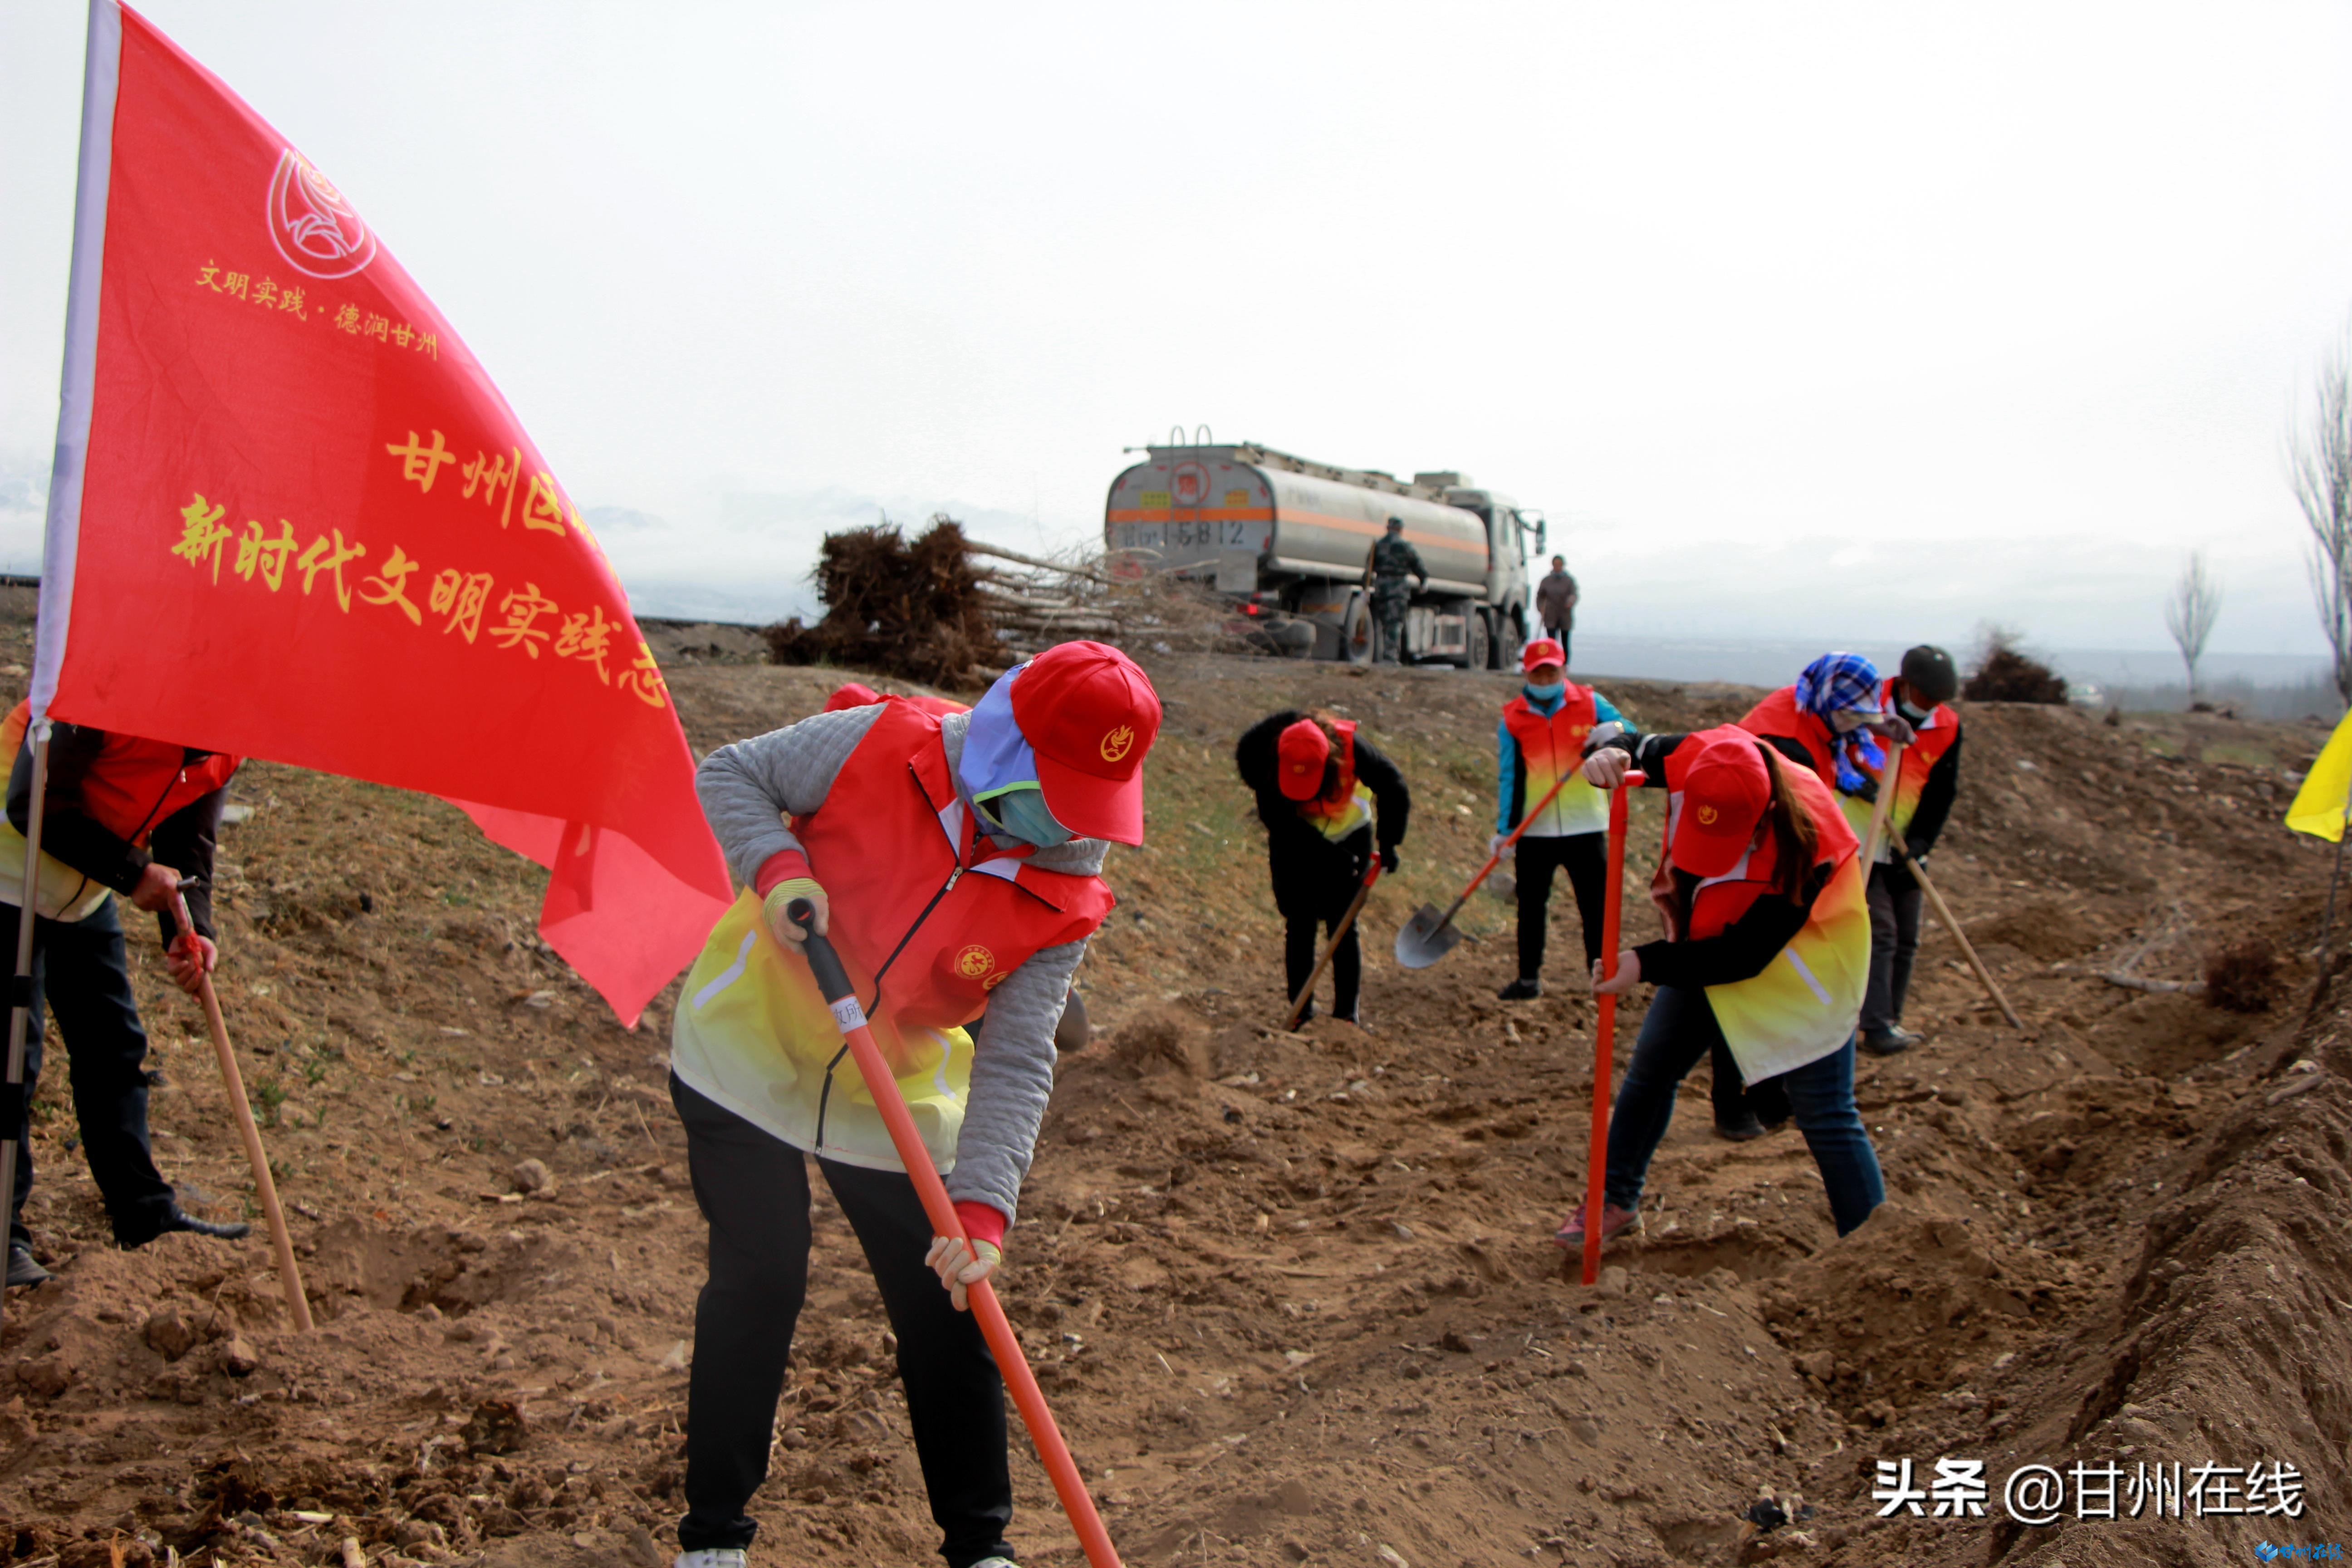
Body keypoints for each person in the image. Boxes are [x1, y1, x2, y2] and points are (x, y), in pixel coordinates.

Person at [665, 640, 1157, 1568]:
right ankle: (715, 1534)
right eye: (1049, 788)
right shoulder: (875, 741)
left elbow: (1016, 1059)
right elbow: (729, 772)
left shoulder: (1065, 892)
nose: (1057, 824)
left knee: (950, 1301)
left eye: (1083, 803)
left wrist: (982, 1210)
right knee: (761, 1277)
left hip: (891, 1081)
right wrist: (776, 867)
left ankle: (982, 1547)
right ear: (1004, 743)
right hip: (749, 1042)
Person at [1559, 726, 1884, 1250]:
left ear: (1767, 811)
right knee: (1652, 1071)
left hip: (1807, 961)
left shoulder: (1814, 836)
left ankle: (1875, 1249)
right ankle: (1614, 1201)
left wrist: (1643, 963)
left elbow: (1745, 956)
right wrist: (1605, 756)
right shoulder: (1700, 757)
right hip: (1709, 937)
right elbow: (1626, 742)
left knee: (1826, 1112)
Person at [0, 704, 254, 1289]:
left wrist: (189, 930)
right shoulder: (101, 691)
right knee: (15, 1057)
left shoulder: (231, 734)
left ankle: (145, 1215)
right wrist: (134, 872)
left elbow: (188, 832)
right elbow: (31, 802)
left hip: (82, 889)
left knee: (114, 1048)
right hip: (10, 874)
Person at [1235, 709, 1411, 1027]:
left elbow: (1393, 785)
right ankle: (1301, 1012)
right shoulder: (1266, 761)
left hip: (1351, 840)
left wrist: (1389, 844)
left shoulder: (1352, 747)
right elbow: (1279, 823)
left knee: (1343, 927)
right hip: (1295, 847)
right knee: (1300, 925)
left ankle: (1347, 1015)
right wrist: (1325, 853)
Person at [1491, 637, 1633, 1001]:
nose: (1544, 679)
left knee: (1595, 907)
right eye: (1537, 674)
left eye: (1551, 672)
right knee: (1531, 907)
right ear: (1526, 674)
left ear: (1563, 670)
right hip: (1534, 831)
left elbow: (1629, 731)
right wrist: (1505, 832)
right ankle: (1527, 980)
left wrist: (1613, 734)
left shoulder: (1590, 703)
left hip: (1586, 826)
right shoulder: (1513, 718)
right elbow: (1511, 776)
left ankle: (1602, 977)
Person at [1844, 645, 1963, 1056]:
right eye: (1925, 696)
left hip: (1905, 844)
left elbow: (1942, 791)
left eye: (1937, 701)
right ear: (1907, 684)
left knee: (1908, 936)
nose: (1931, 706)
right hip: (1859, 839)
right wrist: (1851, 782)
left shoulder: (1947, 726)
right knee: (1881, 932)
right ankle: (1875, 1027)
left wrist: (1921, 843)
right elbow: (1832, 752)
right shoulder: (1864, 706)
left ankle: (1889, 1018)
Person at [1363, 516, 1427, 665]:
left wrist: (1365, 589)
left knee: (1384, 623)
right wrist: (1423, 581)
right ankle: (1390, 657)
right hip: (1398, 589)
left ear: (1388, 528)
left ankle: (1385, 655)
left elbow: (1368, 570)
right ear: (1400, 529)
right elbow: (1418, 565)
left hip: (1381, 588)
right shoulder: (1405, 546)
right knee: (1395, 623)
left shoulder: (1378, 546)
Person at [1534, 555, 1578, 663]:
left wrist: (1570, 602)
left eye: (1560, 564)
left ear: (1563, 565)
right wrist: (1541, 609)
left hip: (1565, 615)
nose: (1558, 567)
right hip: (1550, 615)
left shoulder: (1569, 581)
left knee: (1565, 642)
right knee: (1551, 642)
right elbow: (1540, 596)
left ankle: (1564, 665)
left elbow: (1574, 594)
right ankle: (1551, 663)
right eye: (1556, 564)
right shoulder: (1546, 581)